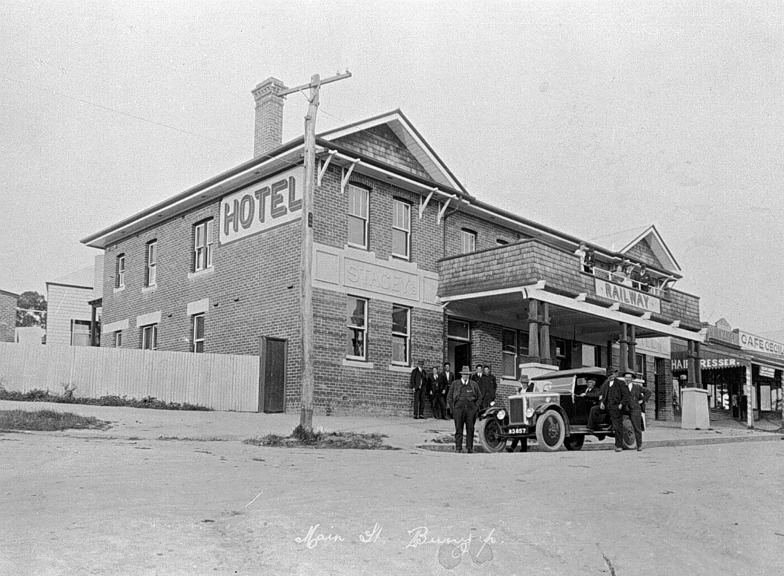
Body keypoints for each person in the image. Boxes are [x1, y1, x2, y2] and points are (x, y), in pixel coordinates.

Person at [447, 365, 481, 453]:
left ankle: (469, 448)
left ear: (469, 375)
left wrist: (475, 407)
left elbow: (479, 397)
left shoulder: (474, 384)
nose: (466, 376)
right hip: (458, 409)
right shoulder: (455, 384)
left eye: (467, 374)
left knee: (470, 428)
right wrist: (453, 408)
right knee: (459, 428)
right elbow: (449, 396)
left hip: (471, 409)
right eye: (464, 374)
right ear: (461, 375)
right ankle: (458, 448)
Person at [625, 372, 652, 451]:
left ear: (632, 379)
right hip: (625, 409)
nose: (627, 379)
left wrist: (642, 400)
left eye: (629, 377)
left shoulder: (637, 387)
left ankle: (639, 445)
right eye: (626, 377)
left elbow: (649, 392)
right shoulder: (622, 387)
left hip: (635, 409)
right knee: (623, 427)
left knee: (637, 428)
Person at [606, 368, 631, 452]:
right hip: (608, 407)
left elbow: (626, 395)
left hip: (617, 407)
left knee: (617, 426)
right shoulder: (607, 384)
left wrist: (621, 404)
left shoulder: (620, 383)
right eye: (608, 375)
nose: (610, 376)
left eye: (611, 374)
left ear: (615, 374)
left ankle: (619, 445)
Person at [507, 375, 529, 452]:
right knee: (519, 430)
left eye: (525, 383)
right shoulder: (520, 390)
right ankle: (522, 448)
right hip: (519, 410)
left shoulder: (529, 390)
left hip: (526, 410)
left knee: (522, 430)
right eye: (522, 383)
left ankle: (515, 447)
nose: (524, 384)